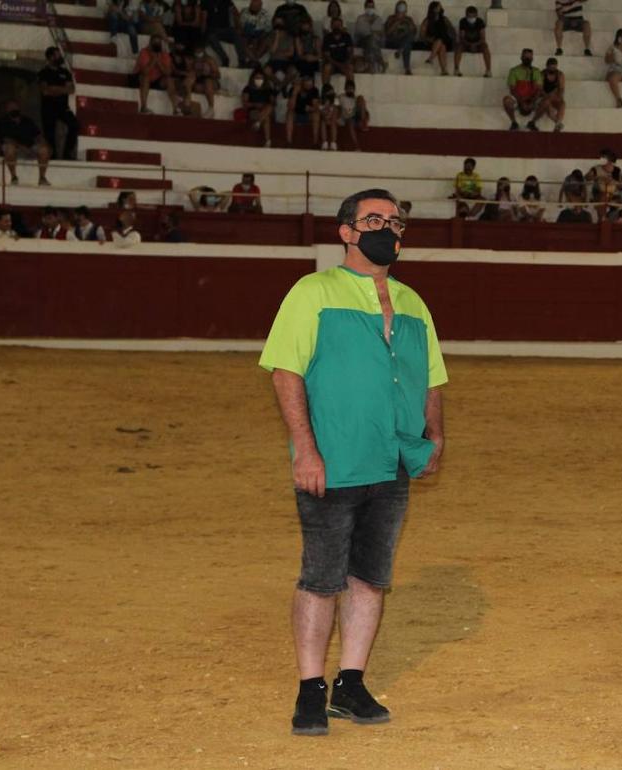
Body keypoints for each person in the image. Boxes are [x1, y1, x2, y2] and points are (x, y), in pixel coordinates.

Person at [259, 188, 446, 738]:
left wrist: (435, 434)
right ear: (346, 232)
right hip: (334, 459)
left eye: (395, 221)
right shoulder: (312, 292)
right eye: (373, 219)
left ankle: (351, 683)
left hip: (392, 459)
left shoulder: (413, 302)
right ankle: (310, 689)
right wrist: (306, 449)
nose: (387, 228)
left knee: (369, 576)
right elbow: (285, 372)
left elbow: (432, 376)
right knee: (321, 578)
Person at [38, 47, 79, 162]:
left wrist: (54, 89)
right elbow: (45, 91)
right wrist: (62, 89)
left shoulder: (65, 72)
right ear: (50, 57)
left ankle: (67, 153)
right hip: (48, 108)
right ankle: (53, 157)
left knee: (74, 125)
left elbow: (71, 89)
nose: (60, 57)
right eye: (57, 55)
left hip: (62, 107)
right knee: (49, 133)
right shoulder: (44, 72)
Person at [0, 100, 51, 187]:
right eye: (11, 108)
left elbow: (38, 135)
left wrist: (44, 143)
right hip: (14, 147)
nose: (13, 109)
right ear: (7, 110)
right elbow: (6, 139)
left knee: (44, 150)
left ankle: (42, 178)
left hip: (30, 147)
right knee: (9, 149)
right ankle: (14, 177)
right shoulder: (3, 121)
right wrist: (22, 147)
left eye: (15, 107)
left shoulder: (27, 120)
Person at [134, 35, 181, 115]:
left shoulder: (164, 54)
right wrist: (153, 60)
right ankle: (143, 107)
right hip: (141, 80)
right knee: (145, 77)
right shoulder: (144, 52)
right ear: (150, 43)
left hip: (157, 80)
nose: (157, 44)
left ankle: (175, 109)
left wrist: (159, 62)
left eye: (159, 42)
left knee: (169, 80)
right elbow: (145, 71)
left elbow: (168, 72)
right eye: (155, 42)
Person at [502, 49, 543, 130]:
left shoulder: (536, 71)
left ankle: (533, 122)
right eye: (525, 57)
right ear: (521, 57)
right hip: (519, 99)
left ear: (532, 59)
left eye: (529, 57)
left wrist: (532, 102)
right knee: (506, 100)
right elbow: (512, 90)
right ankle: (514, 122)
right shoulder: (514, 71)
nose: (527, 59)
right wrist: (521, 101)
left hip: (532, 99)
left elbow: (539, 90)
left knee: (546, 102)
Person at [203, 0, 246, 66]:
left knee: (237, 34)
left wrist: (238, 27)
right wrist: (203, 32)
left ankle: (242, 61)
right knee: (211, 37)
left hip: (226, 29)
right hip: (213, 29)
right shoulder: (205, 2)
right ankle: (224, 58)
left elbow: (235, 12)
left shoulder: (226, 1)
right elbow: (204, 18)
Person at [454, 6, 491, 77]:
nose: (471, 18)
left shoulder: (480, 21)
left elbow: (483, 38)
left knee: (485, 47)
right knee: (458, 46)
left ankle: (488, 70)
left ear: (476, 15)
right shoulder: (463, 21)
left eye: (473, 16)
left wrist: (475, 44)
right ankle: (456, 69)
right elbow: (461, 37)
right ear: (466, 15)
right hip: (466, 43)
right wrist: (470, 44)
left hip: (478, 44)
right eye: (469, 16)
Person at [287, 71, 321, 147]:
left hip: (308, 114)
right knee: (289, 114)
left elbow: (315, 106)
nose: (309, 83)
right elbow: (290, 106)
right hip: (296, 114)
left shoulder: (314, 90)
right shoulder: (293, 89)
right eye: (307, 81)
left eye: (310, 81)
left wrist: (310, 109)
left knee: (316, 115)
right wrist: (295, 93)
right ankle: (289, 142)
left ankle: (315, 142)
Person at [243, 69, 276, 147]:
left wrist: (264, 105)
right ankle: (268, 141)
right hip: (254, 111)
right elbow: (245, 103)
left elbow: (273, 103)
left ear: (264, 79)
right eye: (257, 78)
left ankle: (258, 122)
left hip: (267, 109)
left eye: (261, 78)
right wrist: (256, 104)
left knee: (269, 107)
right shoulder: (248, 89)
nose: (259, 80)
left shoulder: (269, 89)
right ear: (253, 79)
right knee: (266, 118)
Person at [420, 1, 455, 76]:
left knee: (441, 41)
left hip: (445, 40)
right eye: (439, 6)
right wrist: (428, 39)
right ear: (434, 9)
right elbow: (422, 35)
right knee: (442, 45)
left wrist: (451, 36)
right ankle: (444, 70)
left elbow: (452, 30)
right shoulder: (427, 20)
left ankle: (431, 58)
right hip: (431, 42)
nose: (441, 8)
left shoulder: (444, 19)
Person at [531, 56, 565, 131]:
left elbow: (561, 88)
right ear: (547, 66)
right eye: (551, 68)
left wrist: (559, 97)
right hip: (543, 96)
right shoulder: (542, 74)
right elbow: (540, 89)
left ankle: (558, 123)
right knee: (547, 103)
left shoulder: (560, 74)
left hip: (554, 96)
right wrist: (548, 96)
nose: (553, 70)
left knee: (562, 104)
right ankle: (557, 123)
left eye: (554, 68)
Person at [353, 0, 387, 74]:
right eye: (369, 6)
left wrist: (374, 33)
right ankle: (381, 61)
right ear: (365, 7)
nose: (370, 8)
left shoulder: (379, 19)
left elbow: (382, 33)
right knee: (371, 39)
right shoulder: (360, 18)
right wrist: (374, 33)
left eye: (372, 6)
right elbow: (361, 32)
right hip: (361, 40)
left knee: (371, 41)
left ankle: (370, 65)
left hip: (375, 42)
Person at [585, 149, 620, 219]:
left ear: (609, 159)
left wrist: (612, 181)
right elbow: (587, 177)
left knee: (615, 201)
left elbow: (620, 185)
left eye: (603, 157)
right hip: (599, 192)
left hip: (612, 193)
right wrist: (597, 177)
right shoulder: (596, 168)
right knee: (603, 197)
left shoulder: (616, 170)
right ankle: (602, 219)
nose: (601, 159)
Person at [188, 45, 221, 117]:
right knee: (195, 85)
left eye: (199, 51)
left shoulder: (209, 60)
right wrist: (196, 73)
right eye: (196, 52)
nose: (198, 53)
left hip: (212, 81)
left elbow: (218, 75)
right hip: (200, 83)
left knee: (208, 82)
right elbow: (190, 73)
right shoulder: (193, 61)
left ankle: (211, 108)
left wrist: (209, 73)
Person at [383, 1, 416, 74]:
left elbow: (413, 33)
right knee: (407, 45)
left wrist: (408, 23)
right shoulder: (391, 18)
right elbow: (387, 33)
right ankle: (407, 68)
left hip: (403, 41)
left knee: (408, 42)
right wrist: (397, 22)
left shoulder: (409, 19)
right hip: (392, 41)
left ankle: (401, 52)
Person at [323, 16, 356, 82]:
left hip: (344, 63)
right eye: (335, 25)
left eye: (338, 25)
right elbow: (327, 56)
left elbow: (350, 52)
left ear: (342, 26)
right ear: (331, 26)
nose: (337, 27)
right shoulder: (327, 38)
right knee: (327, 68)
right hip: (332, 64)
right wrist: (339, 65)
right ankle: (326, 90)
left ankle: (350, 90)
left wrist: (347, 62)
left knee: (350, 68)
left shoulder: (346, 36)